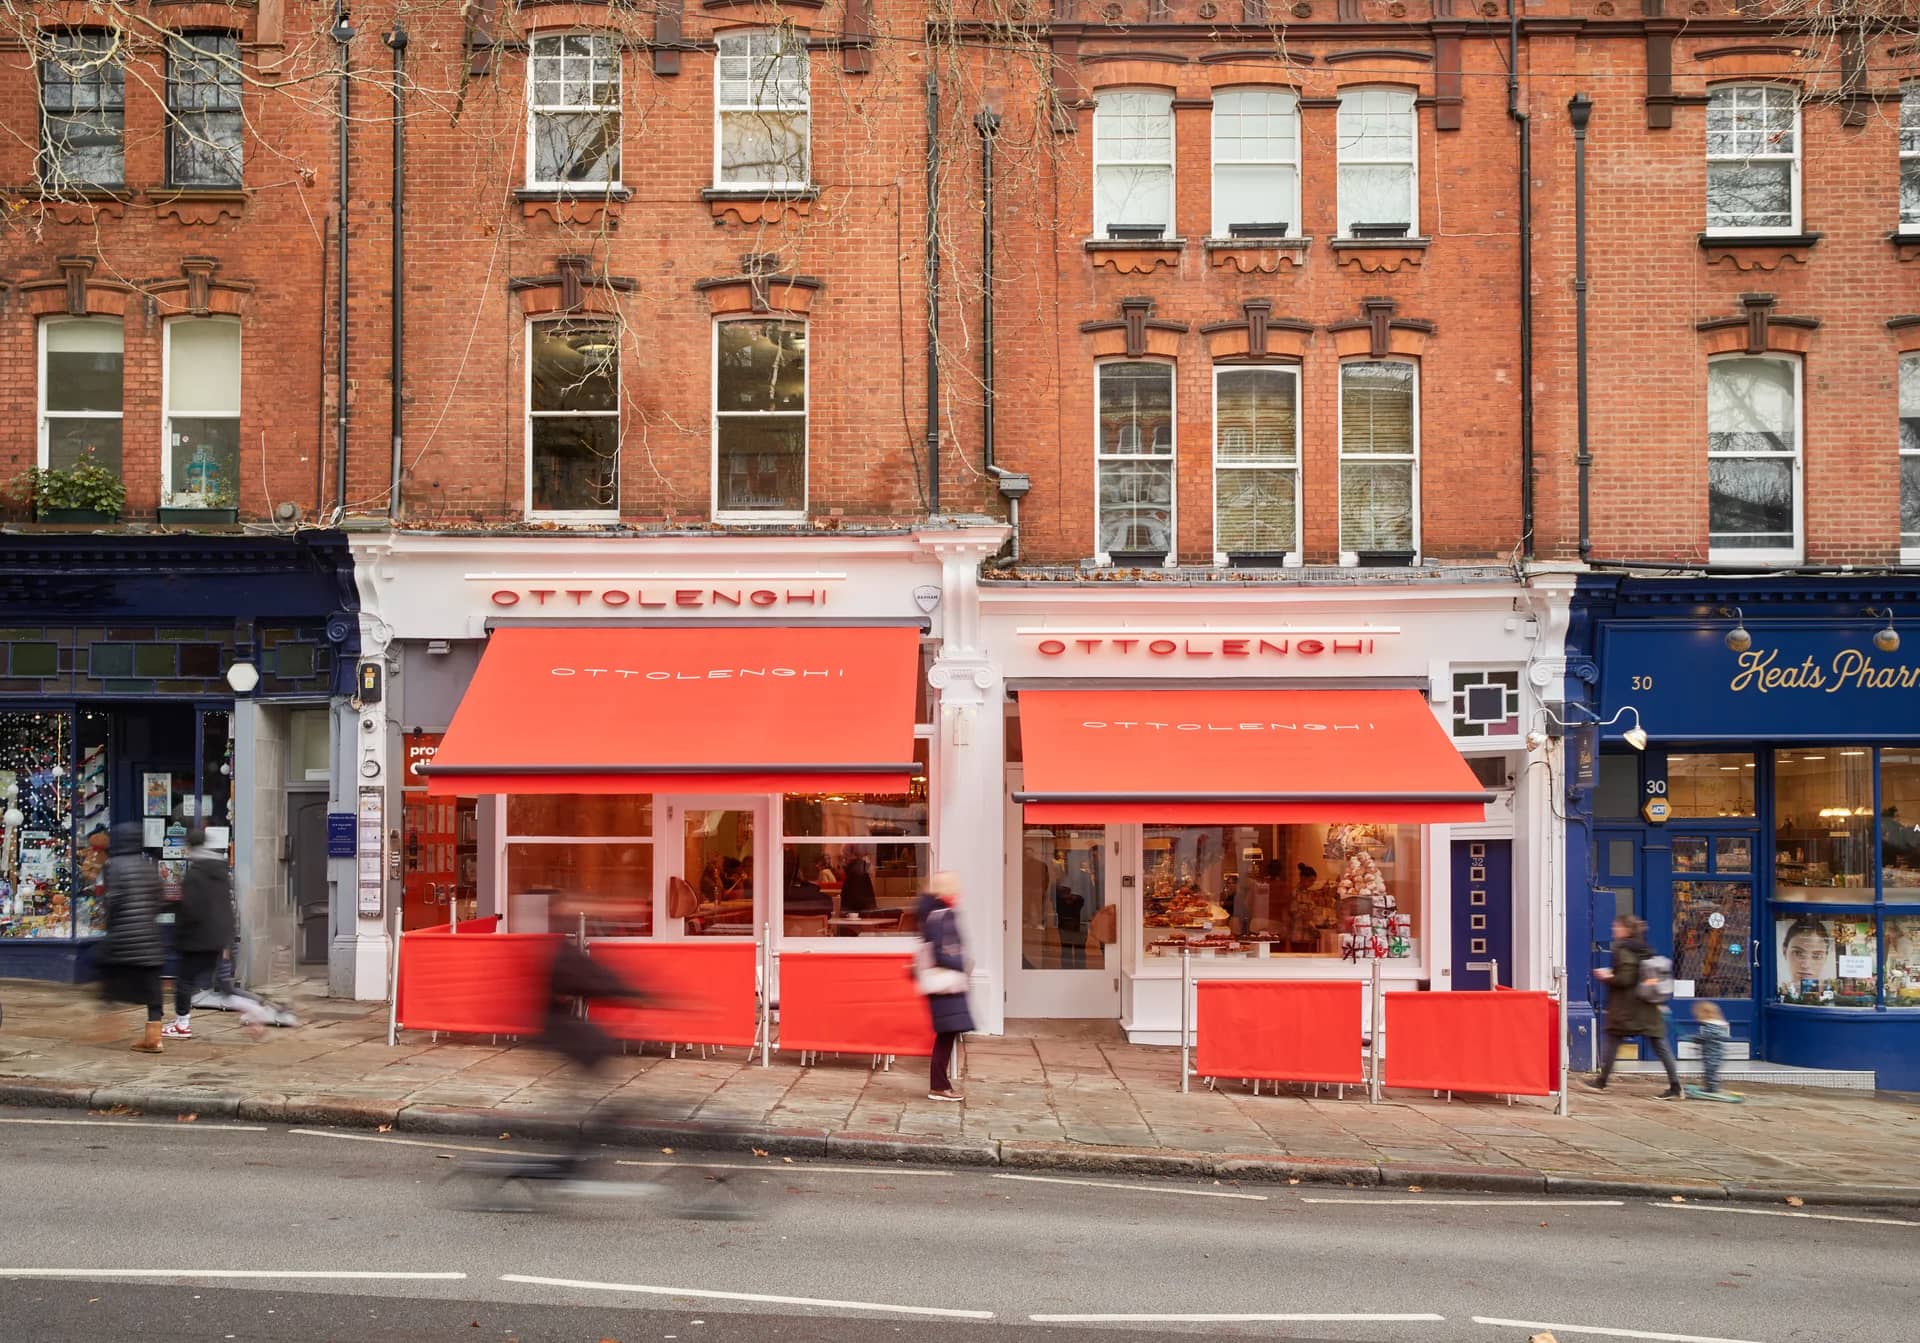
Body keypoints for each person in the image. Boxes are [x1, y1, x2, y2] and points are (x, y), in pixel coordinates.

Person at [1587, 914, 1682, 1099]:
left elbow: (1625, 979)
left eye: (1616, 926)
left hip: (1628, 1007)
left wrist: (1606, 976)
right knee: (1659, 1045)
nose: (1613, 929)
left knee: (1614, 1039)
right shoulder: (1645, 948)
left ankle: (1601, 1082)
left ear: (1625, 929)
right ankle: (1675, 1086)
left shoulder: (1623, 949)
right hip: (1647, 1006)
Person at [96, 821, 167, 1053]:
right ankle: (154, 1038)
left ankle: (108, 1023)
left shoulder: (113, 865)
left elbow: (113, 899)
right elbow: (159, 897)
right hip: (149, 937)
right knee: (152, 989)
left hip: (124, 935)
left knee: (109, 977)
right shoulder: (148, 865)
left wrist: (110, 920)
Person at [163, 829, 236, 1041]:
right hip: (217, 937)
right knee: (221, 984)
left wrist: (180, 932)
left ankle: (182, 1024)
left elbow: (192, 908)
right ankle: (254, 1011)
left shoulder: (196, 873)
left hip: (198, 938)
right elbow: (225, 906)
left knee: (184, 981)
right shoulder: (220, 870)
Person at [916, 871, 973, 1102]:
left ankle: (940, 1084)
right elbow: (943, 951)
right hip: (946, 982)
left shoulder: (932, 912)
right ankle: (939, 1086)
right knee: (947, 1034)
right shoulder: (942, 915)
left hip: (942, 981)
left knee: (947, 1034)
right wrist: (962, 964)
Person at [1684, 1001, 1744, 1103]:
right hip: (1715, 1053)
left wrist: (1692, 1038)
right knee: (1710, 1072)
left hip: (1712, 1055)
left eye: (1698, 1014)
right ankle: (1710, 1087)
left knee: (1710, 1072)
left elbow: (1704, 1037)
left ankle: (1712, 1089)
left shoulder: (1711, 1027)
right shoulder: (1718, 1026)